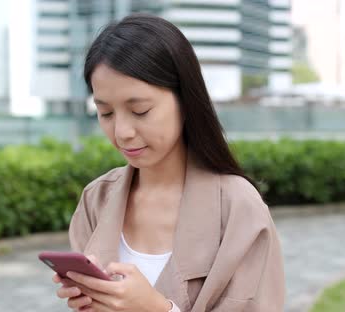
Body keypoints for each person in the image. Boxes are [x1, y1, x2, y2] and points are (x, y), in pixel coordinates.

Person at [51, 13, 285, 312]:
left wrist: (157, 308)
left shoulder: (238, 206)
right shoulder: (95, 200)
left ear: (186, 101)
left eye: (140, 111)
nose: (122, 132)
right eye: (106, 113)